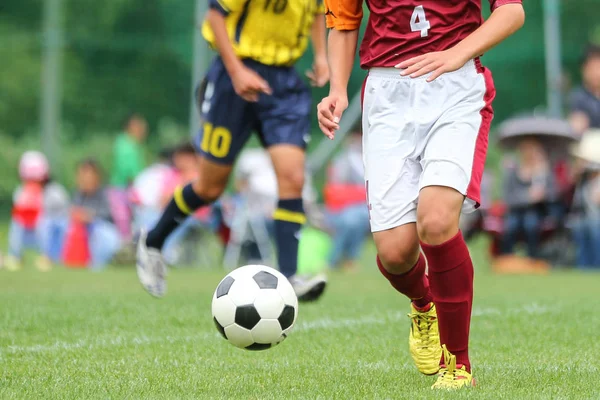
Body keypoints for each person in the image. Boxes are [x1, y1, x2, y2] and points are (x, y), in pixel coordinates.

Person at [317, 0, 524, 389]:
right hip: (387, 93)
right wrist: (337, 90)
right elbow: (344, 22)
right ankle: (424, 303)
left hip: (456, 85)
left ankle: (457, 365)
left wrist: (456, 54)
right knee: (395, 254)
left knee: (436, 219)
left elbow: (512, 12)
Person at [136, 0, 330, 301]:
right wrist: (237, 71)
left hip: (284, 84)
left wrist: (321, 55)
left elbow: (318, 10)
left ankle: (289, 275)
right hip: (234, 76)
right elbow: (215, 15)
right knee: (210, 187)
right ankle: (152, 242)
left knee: (293, 178)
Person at [5, 151, 69, 272]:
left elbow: (63, 220)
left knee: (45, 220)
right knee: (17, 221)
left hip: (53, 239)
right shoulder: (20, 192)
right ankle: (15, 256)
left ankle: (46, 257)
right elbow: (20, 215)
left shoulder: (55, 192)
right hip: (31, 234)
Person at [500, 139, 557, 258]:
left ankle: (533, 258)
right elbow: (508, 197)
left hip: (536, 211)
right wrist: (527, 197)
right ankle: (507, 258)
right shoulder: (513, 172)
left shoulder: (544, 173)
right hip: (515, 211)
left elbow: (554, 195)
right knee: (510, 226)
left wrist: (543, 193)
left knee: (530, 224)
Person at [323, 129, 369, 271]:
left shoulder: (370, 160)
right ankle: (336, 259)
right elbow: (335, 191)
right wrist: (360, 194)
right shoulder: (342, 160)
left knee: (361, 216)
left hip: (360, 209)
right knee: (352, 219)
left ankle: (348, 258)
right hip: (337, 210)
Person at [71, 159, 121, 270]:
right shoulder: (78, 194)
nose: (84, 179)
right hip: (82, 233)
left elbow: (106, 214)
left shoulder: (104, 194)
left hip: (103, 230)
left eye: (88, 175)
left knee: (100, 230)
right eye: (82, 175)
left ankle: (97, 263)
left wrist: (88, 216)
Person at [109, 113, 148, 240]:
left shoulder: (130, 144)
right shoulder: (126, 145)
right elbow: (129, 172)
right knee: (123, 222)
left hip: (126, 188)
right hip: (123, 188)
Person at [569, 44, 600, 135]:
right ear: (584, 70)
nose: (597, 73)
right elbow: (577, 124)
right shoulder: (578, 97)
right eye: (592, 68)